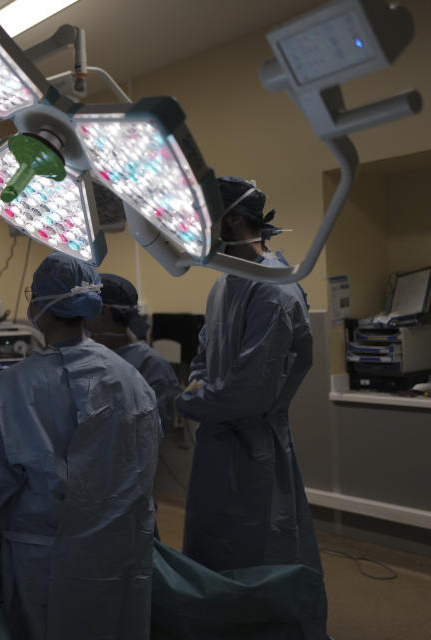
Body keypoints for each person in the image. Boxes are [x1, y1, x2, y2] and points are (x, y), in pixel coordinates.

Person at [0, 251, 160, 640]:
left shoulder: (20, 385)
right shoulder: (131, 378)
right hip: (120, 555)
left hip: (48, 563)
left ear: (39, 306)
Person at [175, 178, 328, 635]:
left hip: (255, 452)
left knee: (261, 560)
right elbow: (204, 355)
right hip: (217, 446)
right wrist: (198, 390)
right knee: (212, 559)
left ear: (236, 220)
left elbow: (248, 392)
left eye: (209, 216)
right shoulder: (225, 285)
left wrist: (190, 400)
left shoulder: (276, 292)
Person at [86, 273, 180, 436]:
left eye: (84, 306)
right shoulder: (85, 357)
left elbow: (153, 431)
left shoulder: (151, 365)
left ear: (102, 311)